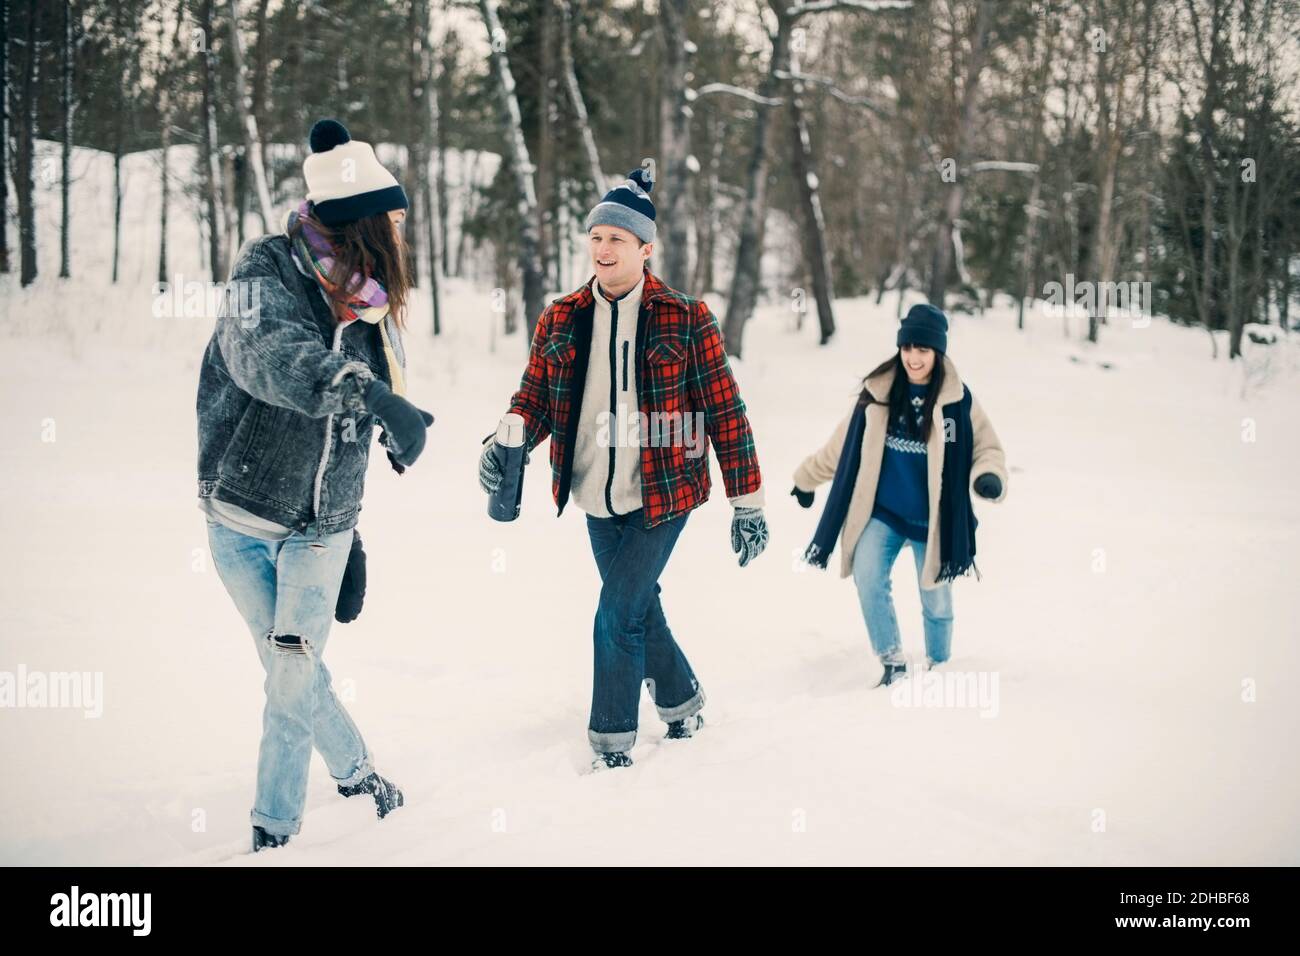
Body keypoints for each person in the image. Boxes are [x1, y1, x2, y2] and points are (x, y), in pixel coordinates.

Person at [479, 167, 769, 770]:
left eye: (617, 239)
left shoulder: (687, 318)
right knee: (637, 605)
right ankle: (683, 701)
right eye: (596, 237)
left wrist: (748, 501)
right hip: (592, 493)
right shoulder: (560, 317)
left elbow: (725, 410)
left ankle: (611, 741)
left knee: (615, 612)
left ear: (645, 249)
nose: (603, 249)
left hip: (666, 493)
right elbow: (531, 401)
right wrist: (502, 442)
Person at [197, 119, 432, 851]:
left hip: (321, 526)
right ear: (364, 221)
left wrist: (349, 524)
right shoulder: (264, 270)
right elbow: (270, 354)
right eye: (393, 218)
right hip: (241, 510)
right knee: (289, 667)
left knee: (291, 673)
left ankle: (273, 831)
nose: (401, 230)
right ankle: (359, 772)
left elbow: (354, 424)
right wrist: (365, 392)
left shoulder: (369, 304)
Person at [792, 304, 1007, 686]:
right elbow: (840, 449)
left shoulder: (956, 402)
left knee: (935, 600)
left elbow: (986, 448)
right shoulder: (879, 395)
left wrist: (988, 477)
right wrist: (806, 478)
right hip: (885, 513)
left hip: (934, 521)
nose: (914, 357)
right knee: (868, 575)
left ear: (937, 352)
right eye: (907, 348)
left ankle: (940, 667)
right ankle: (892, 662)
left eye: (923, 349)